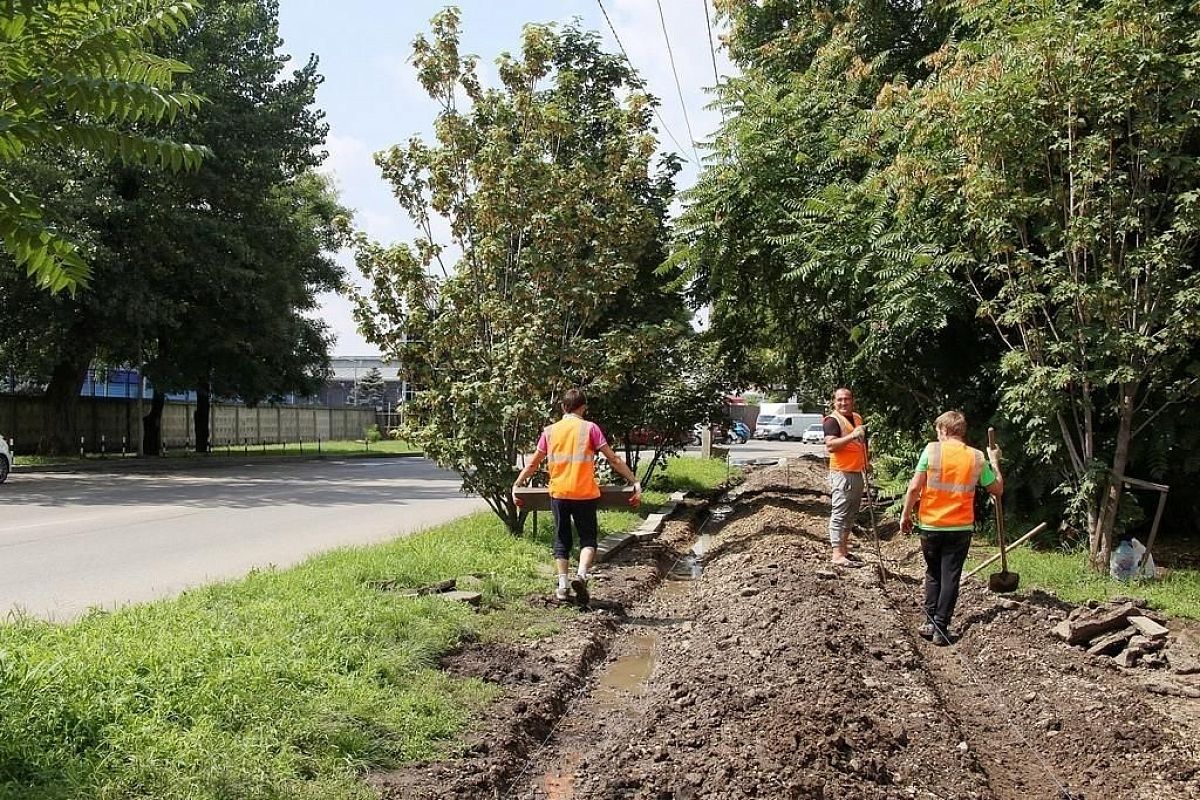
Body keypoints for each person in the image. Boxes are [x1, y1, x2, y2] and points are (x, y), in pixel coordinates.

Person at [512, 388, 642, 605]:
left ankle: (562, 586)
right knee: (588, 538)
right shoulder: (590, 429)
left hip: (560, 493)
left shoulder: (550, 431)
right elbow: (613, 459)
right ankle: (581, 575)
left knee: (561, 539)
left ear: (563, 407)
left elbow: (534, 462)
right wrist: (634, 480)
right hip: (585, 493)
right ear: (583, 407)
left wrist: (518, 483)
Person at [899, 411, 1003, 646]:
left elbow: (914, 488)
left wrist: (906, 515)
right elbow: (996, 489)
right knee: (951, 576)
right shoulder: (977, 457)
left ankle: (929, 620)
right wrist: (995, 461)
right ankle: (940, 626)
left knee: (933, 572)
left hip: (931, 524)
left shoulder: (931, 450)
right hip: (960, 527)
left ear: (944, 431)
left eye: (938, 431)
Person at [823, 387, 867, 567]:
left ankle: (844, 549)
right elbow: (832, 446)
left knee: (851, 513)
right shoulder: (832, 421)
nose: (843, 403)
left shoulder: (857, 418)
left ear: (852, 400)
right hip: (841, 473)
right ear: (834, 402)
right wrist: (852, 436)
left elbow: (862, 442)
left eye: (846, 399)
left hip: (856, 471)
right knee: (840, 514)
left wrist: (866, 461)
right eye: (839, 400)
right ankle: (836, 554)